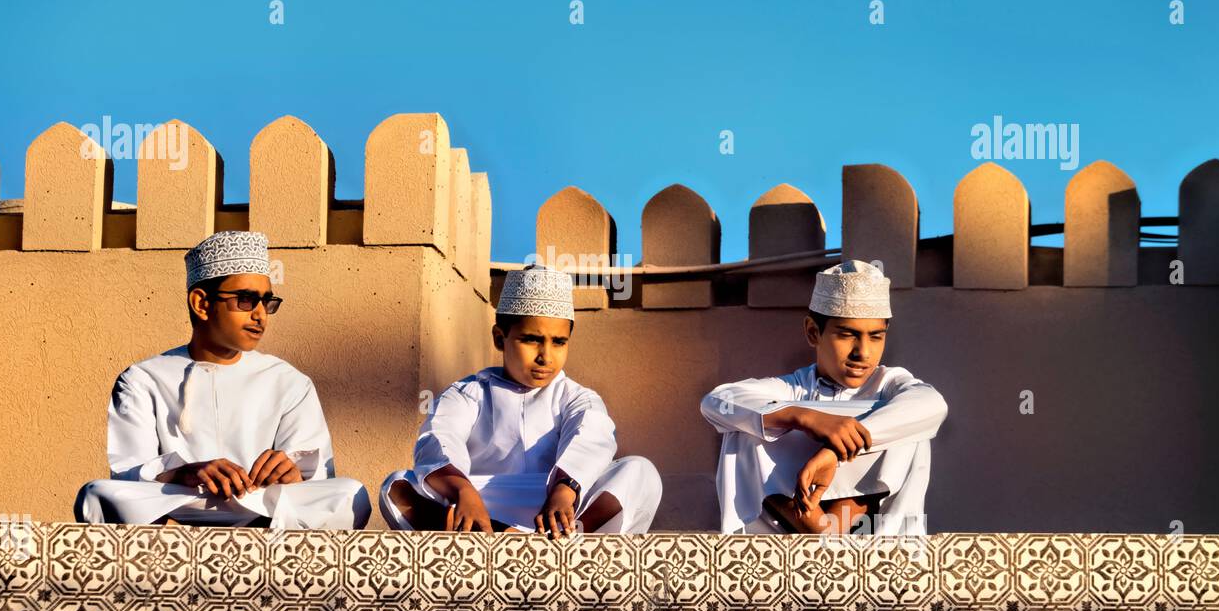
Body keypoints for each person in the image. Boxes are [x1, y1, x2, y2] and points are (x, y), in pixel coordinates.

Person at [74, 230, 371, 530]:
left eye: (266, 302)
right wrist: (183, 472)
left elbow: (317, 477)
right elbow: (128, 470)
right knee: (97, 495)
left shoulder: (289, 381)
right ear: (201, 304)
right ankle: (175, 533)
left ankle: (251, 534)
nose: (260, 315)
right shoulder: (143, 378)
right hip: (184, 501)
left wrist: (293, 473)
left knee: (350, 496)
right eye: (245, 300)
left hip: (261, 504)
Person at [379, 263, 661, 536]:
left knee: (640, 472)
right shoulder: (467, 393)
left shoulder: (577, 398)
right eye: (531, 339)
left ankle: (559, 538)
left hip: (559, 507)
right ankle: (507, 535)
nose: (545, 356)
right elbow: (437, 441)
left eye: (558, 342)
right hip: (481, 501)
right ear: (500, 339)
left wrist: (564, 491)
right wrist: (463, 491)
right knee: (396, 486)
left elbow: (592, 440)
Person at [700, 260, 947, 536]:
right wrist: (806, 418)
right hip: (791, 531)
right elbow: (717, 401)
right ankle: (825, 536)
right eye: (847, 335)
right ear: (813, 332)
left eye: (876, 337)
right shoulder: (792, 389)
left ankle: (832, 536)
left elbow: (932, 404)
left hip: (878, 541)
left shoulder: (889, 384)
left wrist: (835, 451)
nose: (862, 352)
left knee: (910, 423)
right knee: (748, 425)